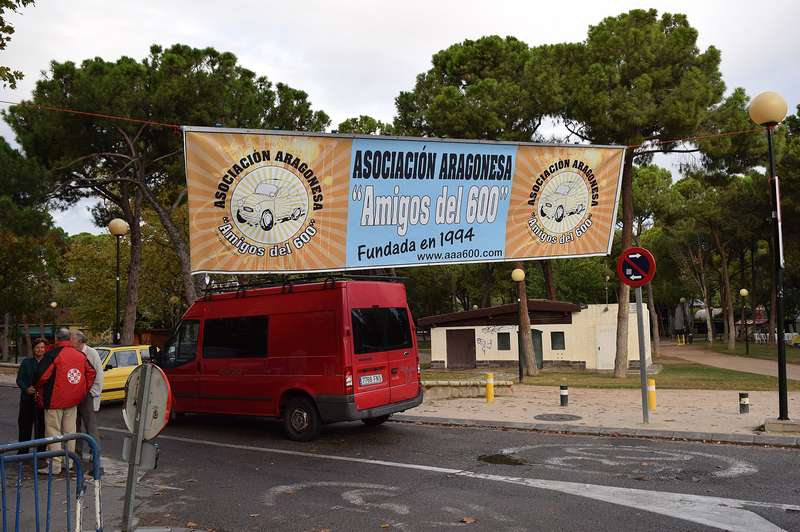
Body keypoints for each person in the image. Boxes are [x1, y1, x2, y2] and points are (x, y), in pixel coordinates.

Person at [35, 328, 96, 475]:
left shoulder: (52, 354)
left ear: (57, 338)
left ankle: (55, 465)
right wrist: (82, 390)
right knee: (70, 432)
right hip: (73, 400)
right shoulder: (80, 355)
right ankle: (68, 462)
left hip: (54, 400)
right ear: (69, 338)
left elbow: (41, 376)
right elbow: (91, 372)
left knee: (53, 432)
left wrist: (37, 387)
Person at [71, 330, 104, 461]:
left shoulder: (92, 353)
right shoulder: (72, 352)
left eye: (72, 339)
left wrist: (93, 393)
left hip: (87, 394)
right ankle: (77, 454)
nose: (70, 341)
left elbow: (99, 373)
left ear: (79, 341)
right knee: (75, 425)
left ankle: (95, 453)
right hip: (75, 394)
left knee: (90, 426)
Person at [15, 338, 47, 454]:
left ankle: (41, 452)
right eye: (37, 347)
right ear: (33, 349)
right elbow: (19, 379)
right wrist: (26, 389)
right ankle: (23, 452)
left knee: (41, 427)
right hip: (27, 399)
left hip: (42, 401)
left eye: (42, 347)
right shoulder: (26, 362)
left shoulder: (49, 363)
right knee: (25, 426)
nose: (40, 349)